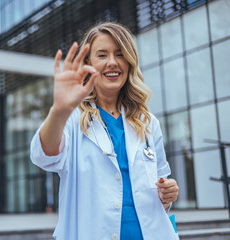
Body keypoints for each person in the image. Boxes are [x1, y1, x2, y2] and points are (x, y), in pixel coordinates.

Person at [30, 22, 179, 240]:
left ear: (129, 61)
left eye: (120, 54)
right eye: (102, 55)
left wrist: (168, 193)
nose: (112, 62)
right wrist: (59, 110)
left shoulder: (147, 122)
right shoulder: (71, 119)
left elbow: (160, 187)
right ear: (88, 63)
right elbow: (44, 155)